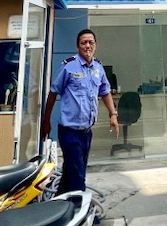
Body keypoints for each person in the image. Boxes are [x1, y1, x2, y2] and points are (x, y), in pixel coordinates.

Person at [41, 29, 119, 195]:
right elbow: (53, 93)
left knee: (70, 173)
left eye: (91, 42)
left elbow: (105, 92)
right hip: (69, 132)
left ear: (95, 45)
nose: (88, 46)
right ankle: (79, 207)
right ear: (78, 46)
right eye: (84, 43)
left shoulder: (98, 67)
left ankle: (59, 200)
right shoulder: (69, 66)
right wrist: (46, 121)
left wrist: (113, 114)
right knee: (78, 177)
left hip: (86, 132)